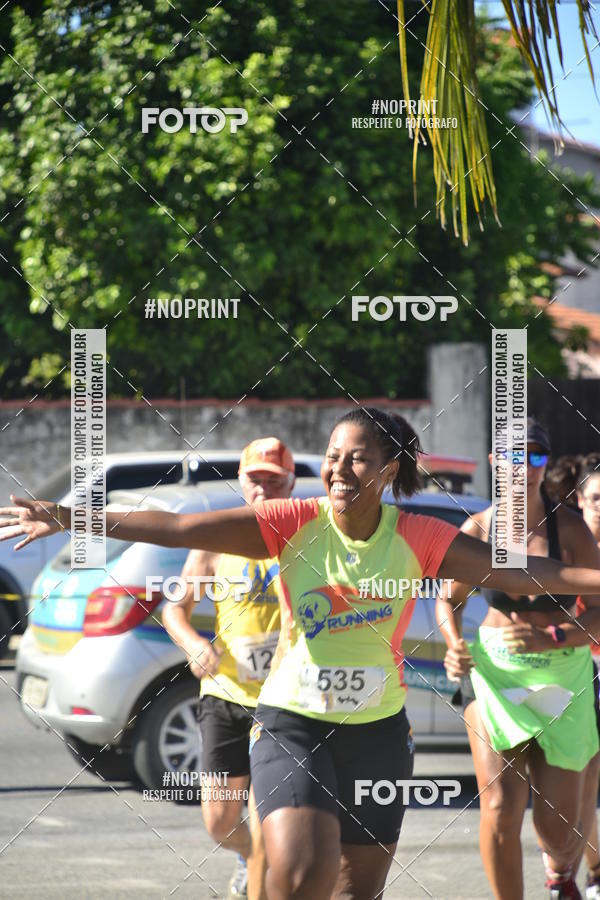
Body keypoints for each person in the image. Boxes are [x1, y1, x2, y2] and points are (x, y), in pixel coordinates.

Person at [4, 407, 600, 899]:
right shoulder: (293, 522)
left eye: (357, 457)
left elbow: (528, 575)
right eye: (334, 455)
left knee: (354, 889)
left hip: (378, 731)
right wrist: (68, 516)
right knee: (298, 873)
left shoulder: (419, 536)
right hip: (292, 720)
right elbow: (180, 529)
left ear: (390, 469)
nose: (339, 468)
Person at [436, 420, 600, 900]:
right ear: (494, 463)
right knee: (501, 811)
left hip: (563, 674)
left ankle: (561, 875)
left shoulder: (569, 529)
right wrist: (452, 644)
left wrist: (556, 635)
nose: (524, 467)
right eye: (513, 455)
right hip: (495, 674)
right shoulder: (479, 528)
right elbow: (449, 598)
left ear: (545, 464)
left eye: (535, 456)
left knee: (558, 832)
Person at [162, 438, 295, 900]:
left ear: (291, 484)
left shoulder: (307, 536)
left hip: (286, 700)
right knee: (219, 822)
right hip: (225, 694)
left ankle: (265, 874)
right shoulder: (215, 540)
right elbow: (174, 610)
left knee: (267, 816)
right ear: (241, 482)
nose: (262, 490)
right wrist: (195, 643)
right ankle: (251, 857)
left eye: (273, 481)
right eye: (255, 480)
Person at [576, 454, 600, 899]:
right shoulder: (562, 548)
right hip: (574, 674)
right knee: (580, 786)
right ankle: (594, 867)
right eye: (596, 498)